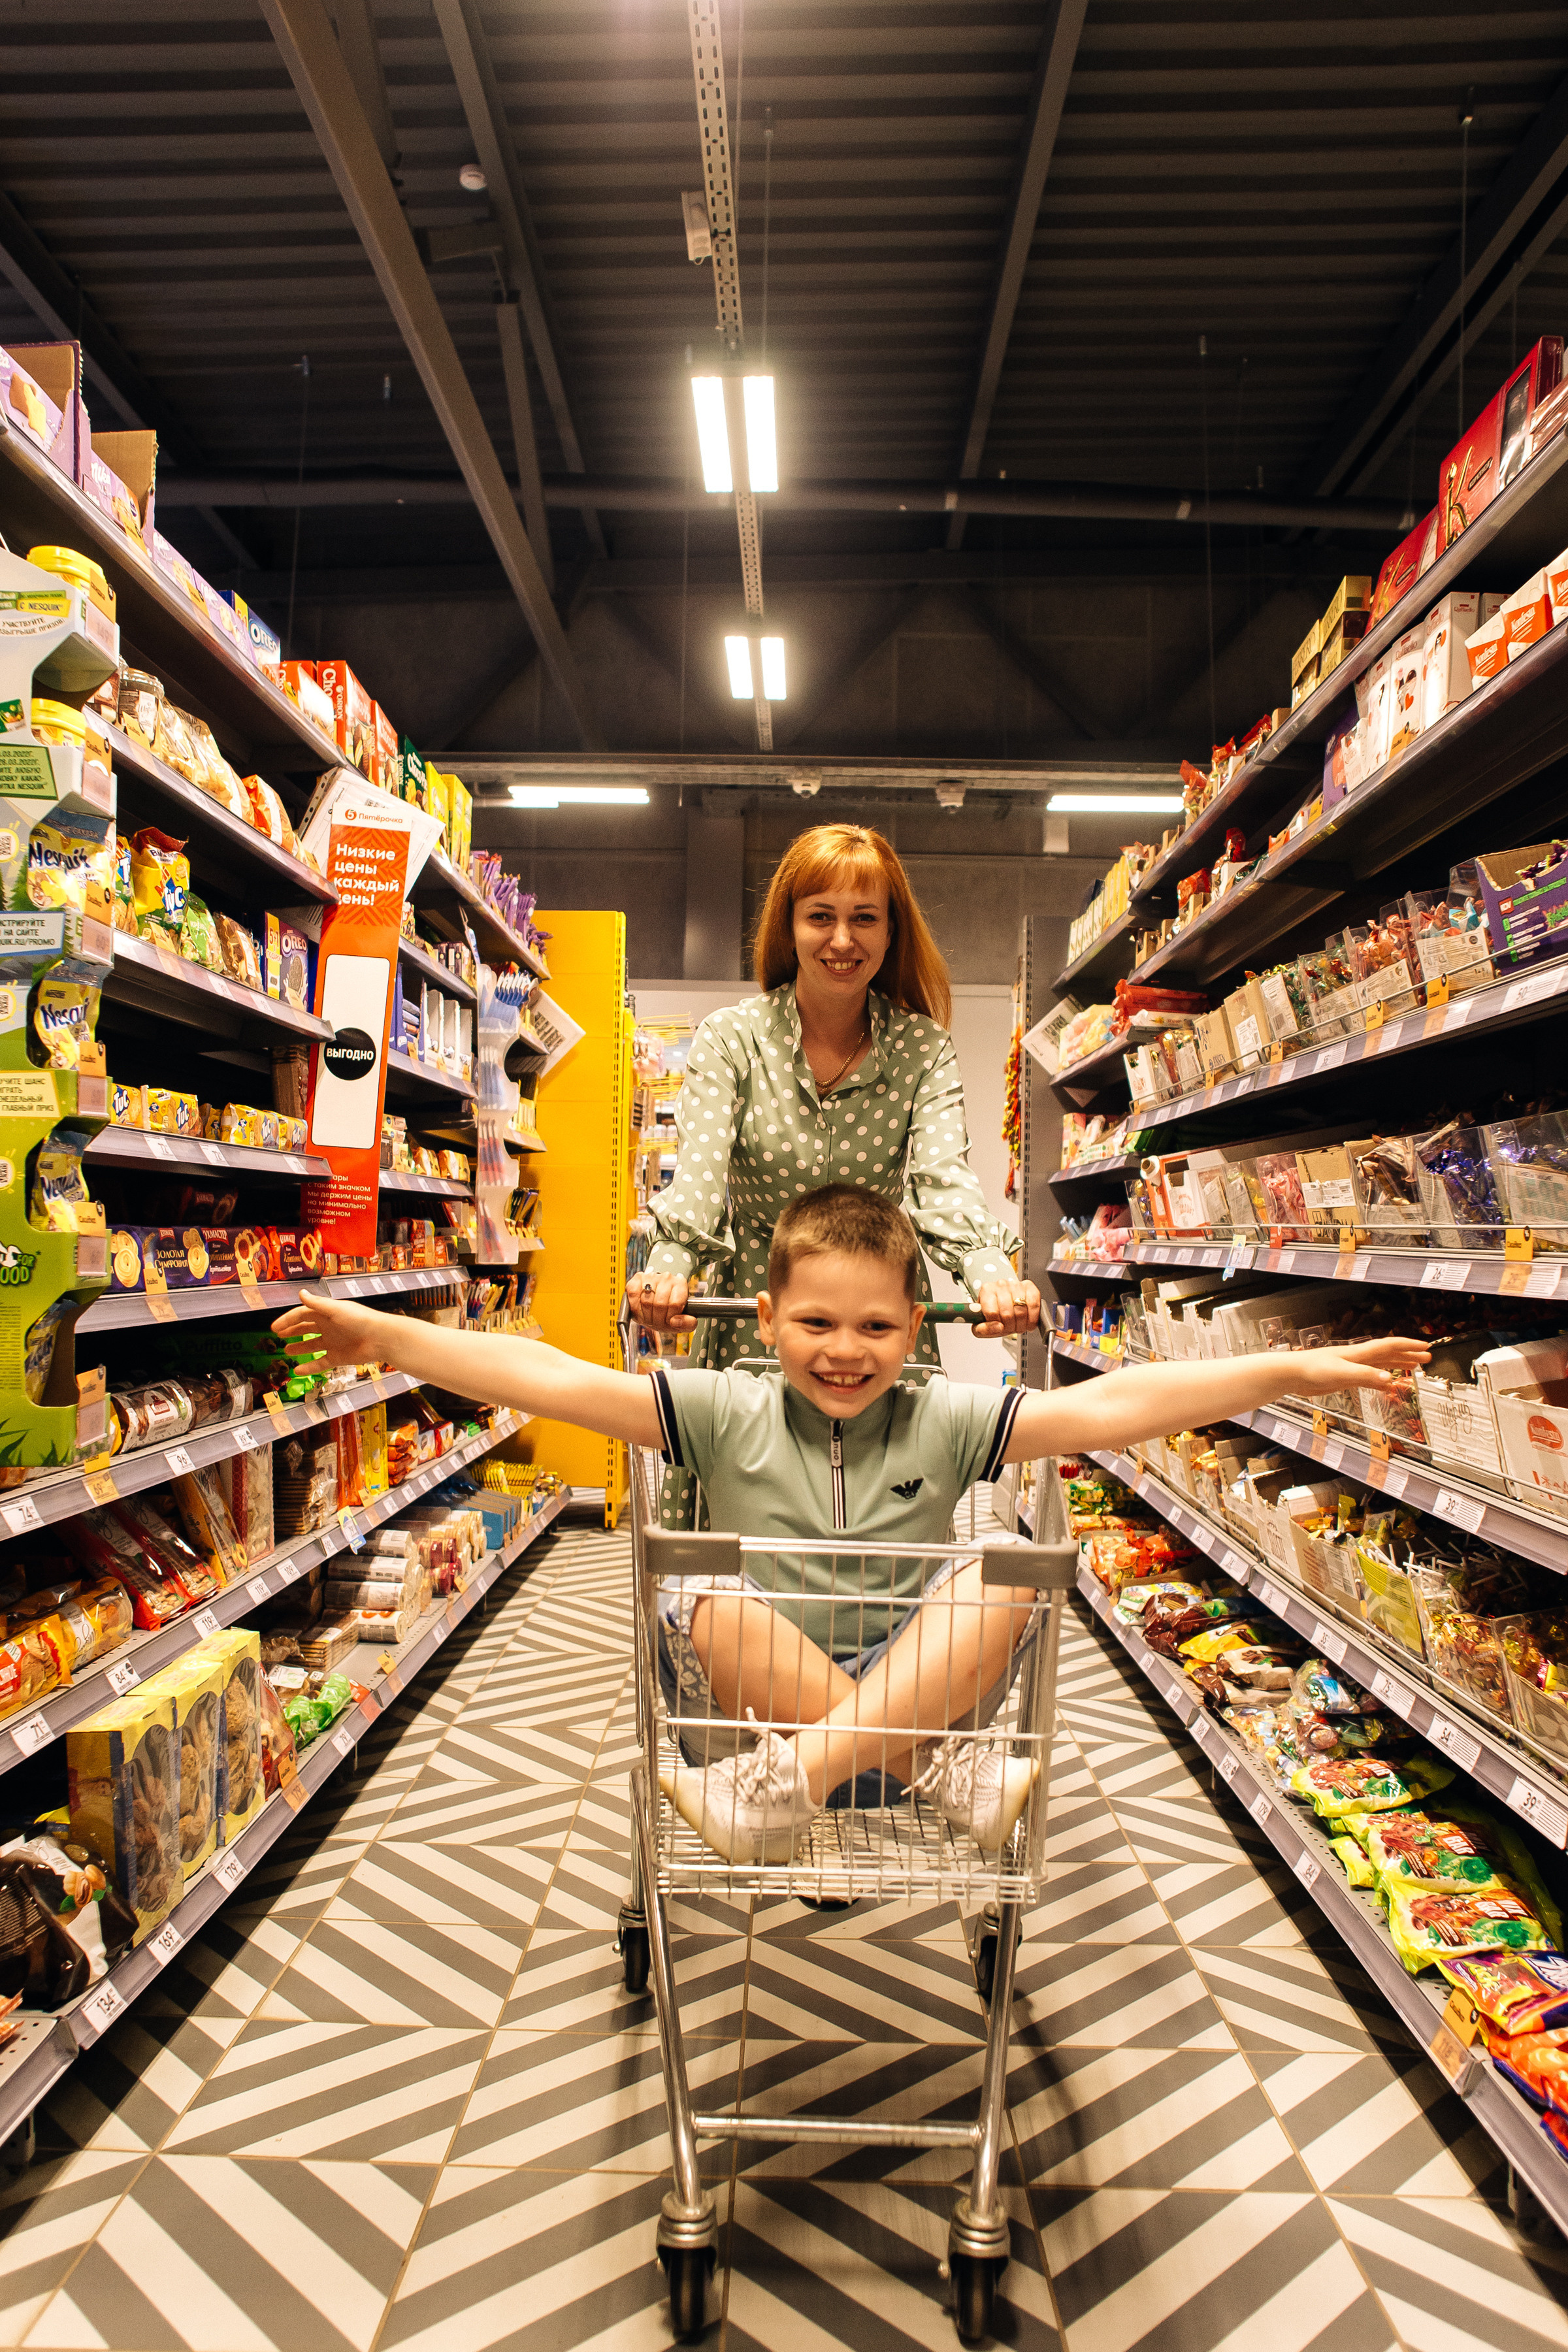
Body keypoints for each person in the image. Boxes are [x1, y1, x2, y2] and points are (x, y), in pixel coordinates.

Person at [274, 1186, 1429, 1865]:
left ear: (916, 1330)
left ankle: (793, 1792)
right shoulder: (720, 1407)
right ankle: (935, 1771)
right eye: (816, 1322)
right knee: (702, 1589)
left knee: (1009, 1568)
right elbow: (554, 1379)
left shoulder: (944, 1418)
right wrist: (392, 1338)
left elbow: (1117, 1405)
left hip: (888, 1703)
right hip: (757, 1718)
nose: (844, 1350)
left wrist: (1294, 1368)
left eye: (876, 1328)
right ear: (765, 1320)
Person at [627, 821, 1037, 1529]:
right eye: (821, 916)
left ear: (890, 931)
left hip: (876, 1322)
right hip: (761, 1321)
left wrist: (989, 1273)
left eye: (864, 918)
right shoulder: (733, 1039)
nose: (842, 939)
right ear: (789, 927)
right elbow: (699, 1176)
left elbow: (943, 1180)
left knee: (887, 1521)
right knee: (749, 1523)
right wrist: (670, 1267)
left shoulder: (922, 1048)